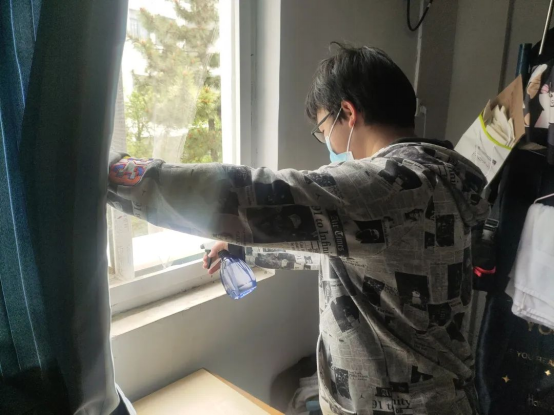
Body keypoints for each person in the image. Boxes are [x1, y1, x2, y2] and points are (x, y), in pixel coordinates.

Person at [108, 44, 489, 415]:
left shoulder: (383, 186)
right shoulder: (438, 179)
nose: (326, 142)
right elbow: (349, 250)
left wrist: (112, 174)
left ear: (348, 113)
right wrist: (246, 250)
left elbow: (245, 194)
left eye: (323, 128)